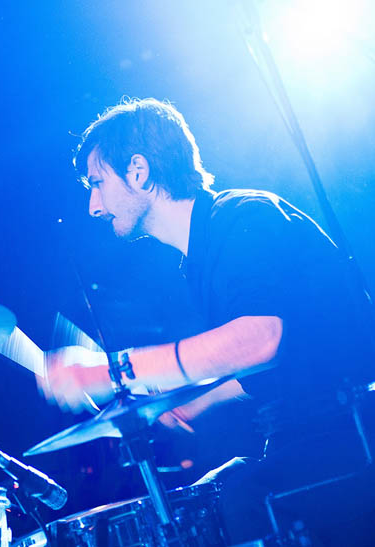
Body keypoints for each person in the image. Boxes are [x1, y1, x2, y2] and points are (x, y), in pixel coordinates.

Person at [40, 98, 375, 544]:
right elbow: (283, 358)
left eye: (97, 183)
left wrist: (110, 370)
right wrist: (190, 403)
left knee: (228, 506)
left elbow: (260, 339)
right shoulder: (201, 252)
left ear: (138, 171)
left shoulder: (242, 217)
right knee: (213, 495)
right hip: (316, 436)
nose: (93, 206)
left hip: (349, 438)